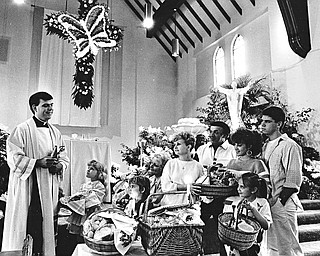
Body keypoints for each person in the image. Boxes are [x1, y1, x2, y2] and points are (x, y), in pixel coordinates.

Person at [2, 91, 69, 256]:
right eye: (45, 105)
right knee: (30, 224)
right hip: (30, 186)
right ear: (34, 107)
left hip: (48, 186)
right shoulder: (22, 130)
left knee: (46, 225)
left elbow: (64, 158)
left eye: (51, 105)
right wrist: (37, 163)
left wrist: (58, 166)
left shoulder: (55, 132)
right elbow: (14, 158)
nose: (50, 109)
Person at [260, 106, 303, 256]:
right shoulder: (264, 145)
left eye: (267, 121)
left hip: (283, 201)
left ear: (279, 124)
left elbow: (293, 179)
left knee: (288, 246)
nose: (262, 125)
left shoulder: (289, 145)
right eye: (262, 121)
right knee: (271, 246)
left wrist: (279, 201)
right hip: (268, 202)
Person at [196, 121, 236, 255]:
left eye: (216, 132)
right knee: (201, 225)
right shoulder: (202, 149)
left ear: (225, 135)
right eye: (211, 131)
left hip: (223, 195)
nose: (211, 135)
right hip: (205, 194)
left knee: (223, 228)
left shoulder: (232, 150)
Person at [223, 172, 272, 256]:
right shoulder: (239, 202)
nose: (238, 189)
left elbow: (266, 225)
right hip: (238, 244)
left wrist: (253, 209)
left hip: (253, 245)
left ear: (253, 190)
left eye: (242, 187)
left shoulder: (262, 203)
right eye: (238, 186)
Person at [61, 160, 106, 235]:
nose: (88, 170)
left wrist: (85, 196)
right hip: (81, 210)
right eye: (88, 168)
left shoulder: (99, 185)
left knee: (89, 228)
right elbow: (80, 194)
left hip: (91, 210)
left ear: (98, 172)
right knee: (79, 228)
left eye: (92, 169)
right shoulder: (85, 185)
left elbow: (96, 198)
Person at [161, 132, 204, 206]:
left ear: (188, 147)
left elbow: (201, 188)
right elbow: (165, 186)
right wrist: (186, 187)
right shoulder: (171, 164)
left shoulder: (198, 166)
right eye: (175, 145)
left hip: (190, 207)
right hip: (169, 205)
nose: (175, 147)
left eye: (178, 144)